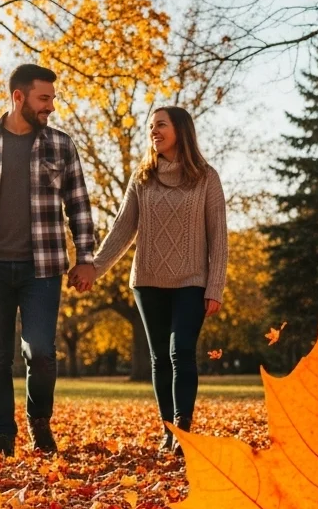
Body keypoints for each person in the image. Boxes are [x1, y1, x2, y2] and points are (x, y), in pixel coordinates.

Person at [0, 63, 97, 456]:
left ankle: (39, 420)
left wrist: (86, 257)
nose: (50, 107)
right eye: (43, 98)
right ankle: (2, 437)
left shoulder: (61, 145)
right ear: (19, 97)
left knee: (41, 352)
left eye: (52, 99)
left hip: (42, 269)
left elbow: (78, 205)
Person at [90, 106, 228, 455]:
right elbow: (123, 227)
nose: (154, 131)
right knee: (159, 358)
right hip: (148, 280)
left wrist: (215, 287)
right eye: (151, 126)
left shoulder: (206, 177)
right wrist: (95, 266)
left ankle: (183, 429)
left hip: (192, 280)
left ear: (180, 130)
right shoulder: (143, 176)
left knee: (180, 350)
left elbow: (219, 238)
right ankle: (168, 430)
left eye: (161, 125)